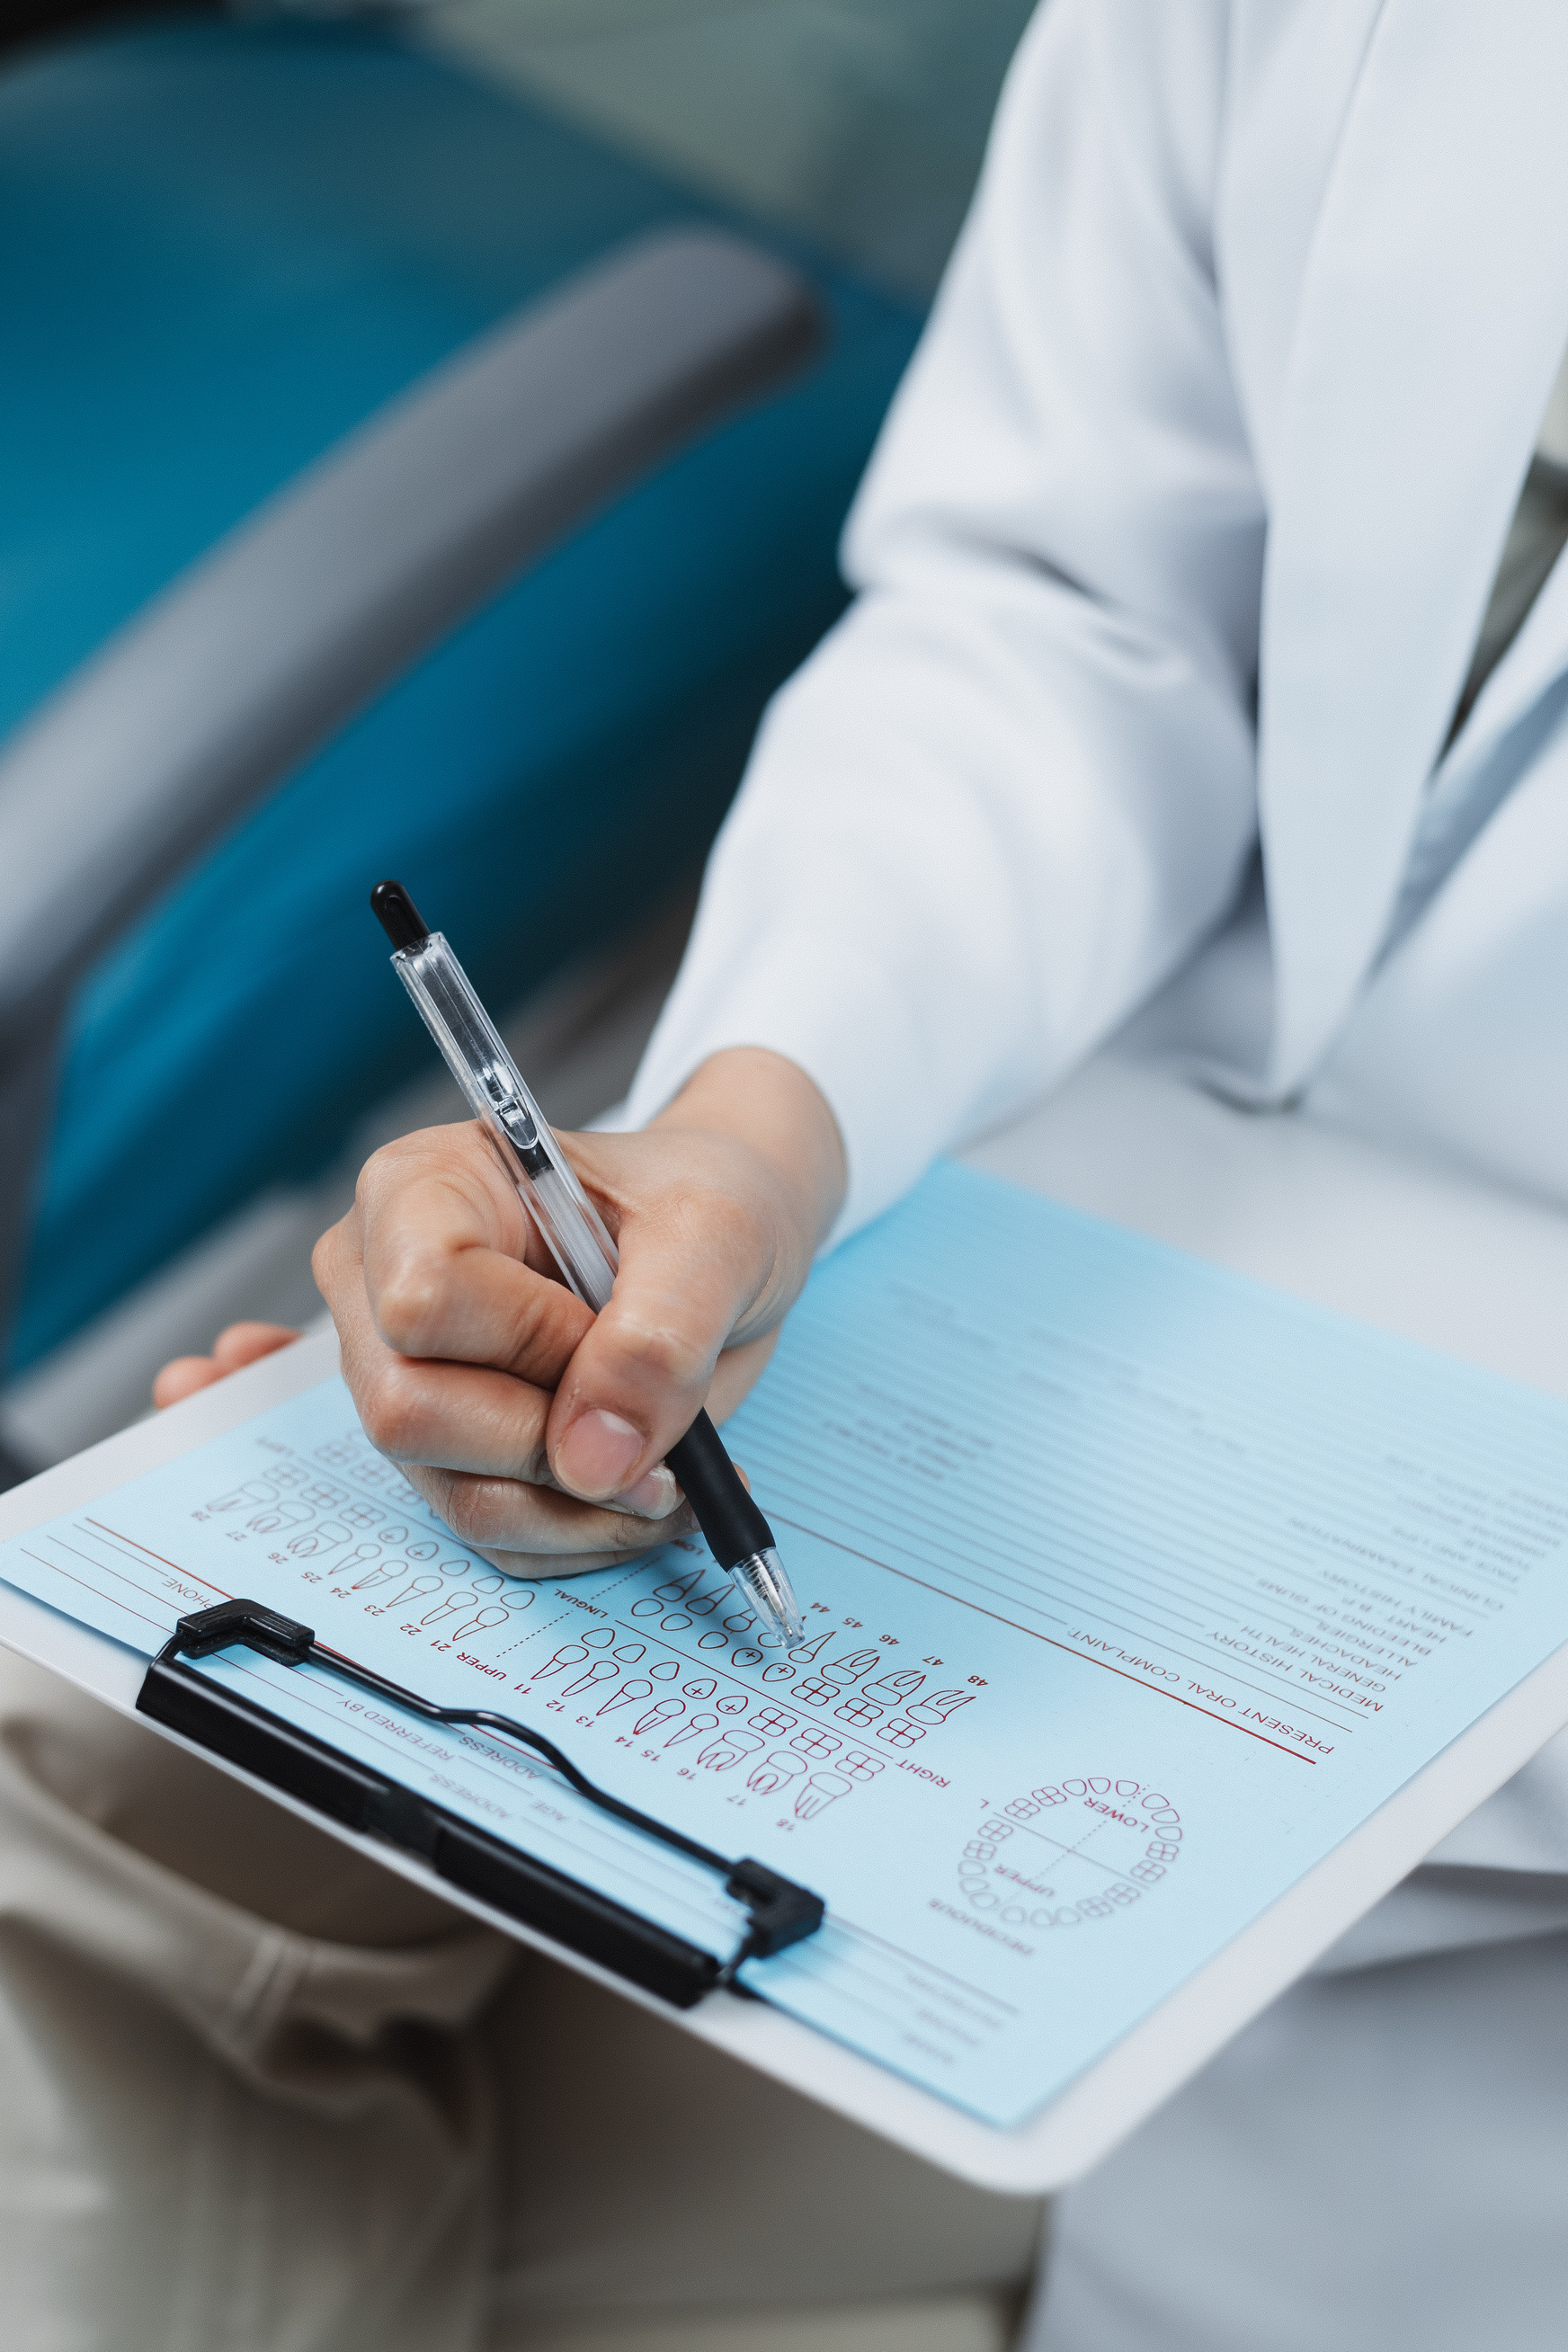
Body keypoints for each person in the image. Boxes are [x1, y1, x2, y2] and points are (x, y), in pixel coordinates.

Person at [12, 1, 1568, 2343]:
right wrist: (753, 1128)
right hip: (1047, 1299)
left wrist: (1258, 1665)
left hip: (1433, 2021)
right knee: (100, 1777)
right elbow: (1072, 600)